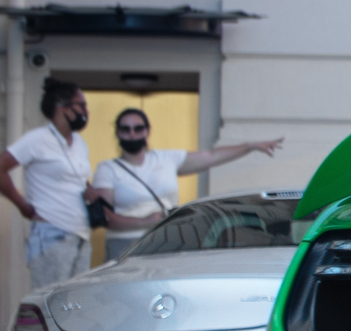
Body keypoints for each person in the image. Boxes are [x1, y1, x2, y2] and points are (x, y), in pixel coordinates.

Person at [90, 108, 282, 261]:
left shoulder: (165, 158)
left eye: (137, 128)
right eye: (125, 129)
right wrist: (145, 221)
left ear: (147, 131)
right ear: (117, 132)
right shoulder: (108, 169)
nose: (132, 134)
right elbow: (105, 218)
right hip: (125, 244)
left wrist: (251, 146)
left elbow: (210, 157)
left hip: (165, 239)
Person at [0, 79, 98, 288]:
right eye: (81, 104)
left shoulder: (79, 142)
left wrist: (88, 190)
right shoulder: (37, 139)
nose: (85, 111)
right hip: (52, 234)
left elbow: (76, 178)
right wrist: (22, 205)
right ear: (62, 107)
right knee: (51, 303)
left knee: (75, 304)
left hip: (81, 233)